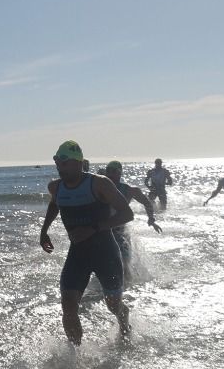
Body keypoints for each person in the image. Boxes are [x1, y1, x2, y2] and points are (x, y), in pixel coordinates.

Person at [37, 140, 134, 346]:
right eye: (57, 163)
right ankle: (75, 356)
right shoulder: (55, 187)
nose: (59, 168)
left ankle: (124, 320)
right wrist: (44, 231)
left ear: (77, 163)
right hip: (78, 254)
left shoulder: (99, 184)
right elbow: (55, 204)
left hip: (105, 252)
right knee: (68, 306)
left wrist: (94, 228)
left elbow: (127, 213)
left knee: (113, 305)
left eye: (63, 163)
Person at [100, 161, 162, 273]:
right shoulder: (100, 188)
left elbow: (147, 202)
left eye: (113, 171)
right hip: (103, 231)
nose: (110, 174)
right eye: (108, 171)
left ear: (120, 173)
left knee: (125, 263)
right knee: (103, 263)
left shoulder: (129, 190)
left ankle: (127, 287)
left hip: (120, 231)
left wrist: (151, 219)